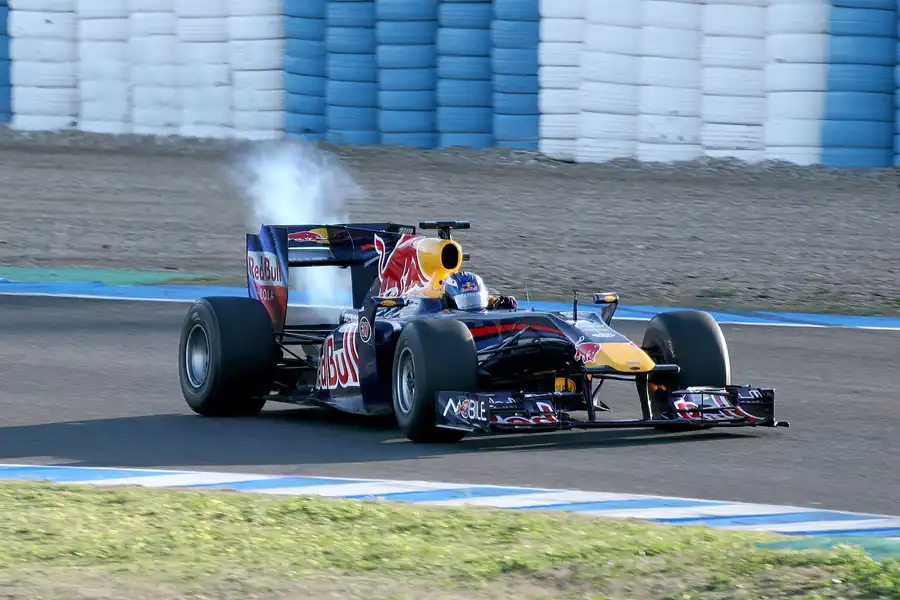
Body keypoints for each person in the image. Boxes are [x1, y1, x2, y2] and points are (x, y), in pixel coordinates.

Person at [444, 271, 518, 312]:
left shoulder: (490, 301)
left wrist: (508, 303)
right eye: (466, 300)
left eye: (476, 299)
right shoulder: (439, 309)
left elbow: (495, 301)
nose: (473, 307)